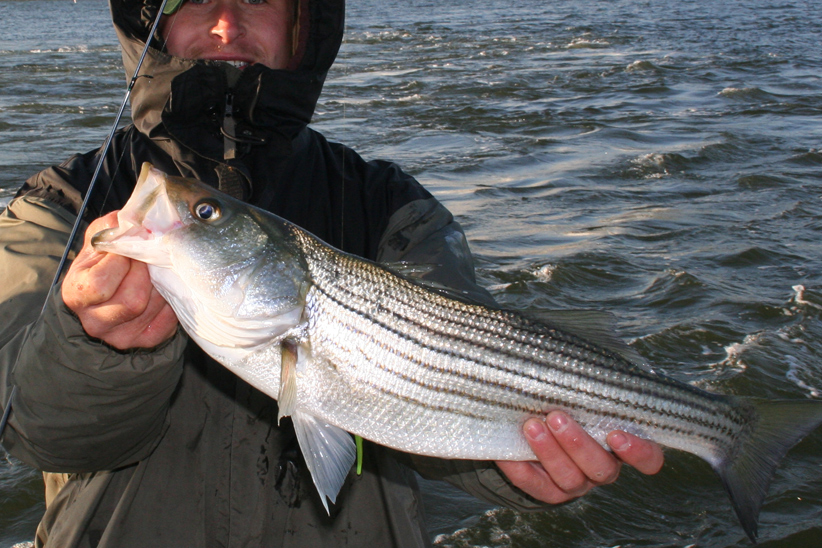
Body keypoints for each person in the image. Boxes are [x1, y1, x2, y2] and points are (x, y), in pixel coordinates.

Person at [0, 0, 663, 546]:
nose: (225, 23)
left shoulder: (387, 204)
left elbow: (467, 376)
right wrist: (92, 344)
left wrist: (513, 469)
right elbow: (31, 430)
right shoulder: (61, 203)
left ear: (302, 28)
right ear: (151, 23)